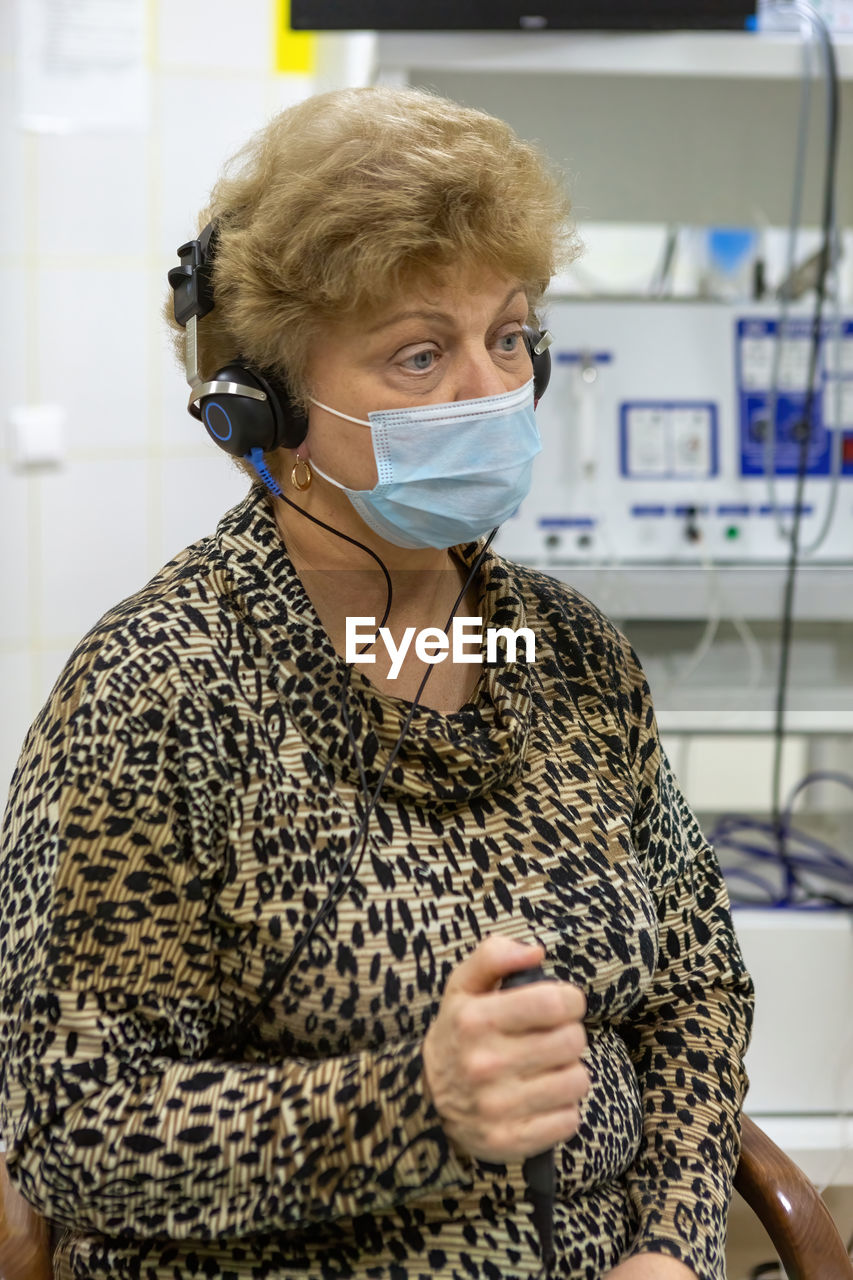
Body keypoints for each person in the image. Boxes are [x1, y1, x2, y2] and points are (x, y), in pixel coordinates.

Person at [0, 86, 753, 1280]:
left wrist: (666, 1244)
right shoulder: (160, 688)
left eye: (508, 336)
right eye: (419, 351)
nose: (489, 387)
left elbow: (697, 990)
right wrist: (416, 1101)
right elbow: (70, 1129)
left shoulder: (565, 655)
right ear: (270, 406)